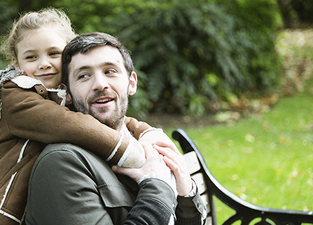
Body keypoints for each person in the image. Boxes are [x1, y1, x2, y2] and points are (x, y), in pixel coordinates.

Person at [0, 8, 172, 225]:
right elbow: (68, 124)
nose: (44, 63)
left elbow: (116, 122)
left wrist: (146, 132)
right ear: (16, 63)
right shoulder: (17, 94)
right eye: (31, 57)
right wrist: (128, 152)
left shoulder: (63, 94)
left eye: (53, 54)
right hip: (4, 207)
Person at [24, 32, 207, 224]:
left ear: (131, 83)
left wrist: (187, 194)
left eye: (110, 71)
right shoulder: (62, 163)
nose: (100, 84)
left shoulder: (146, 145)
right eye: (84, 76)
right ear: (67, 93)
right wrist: (158, 185)